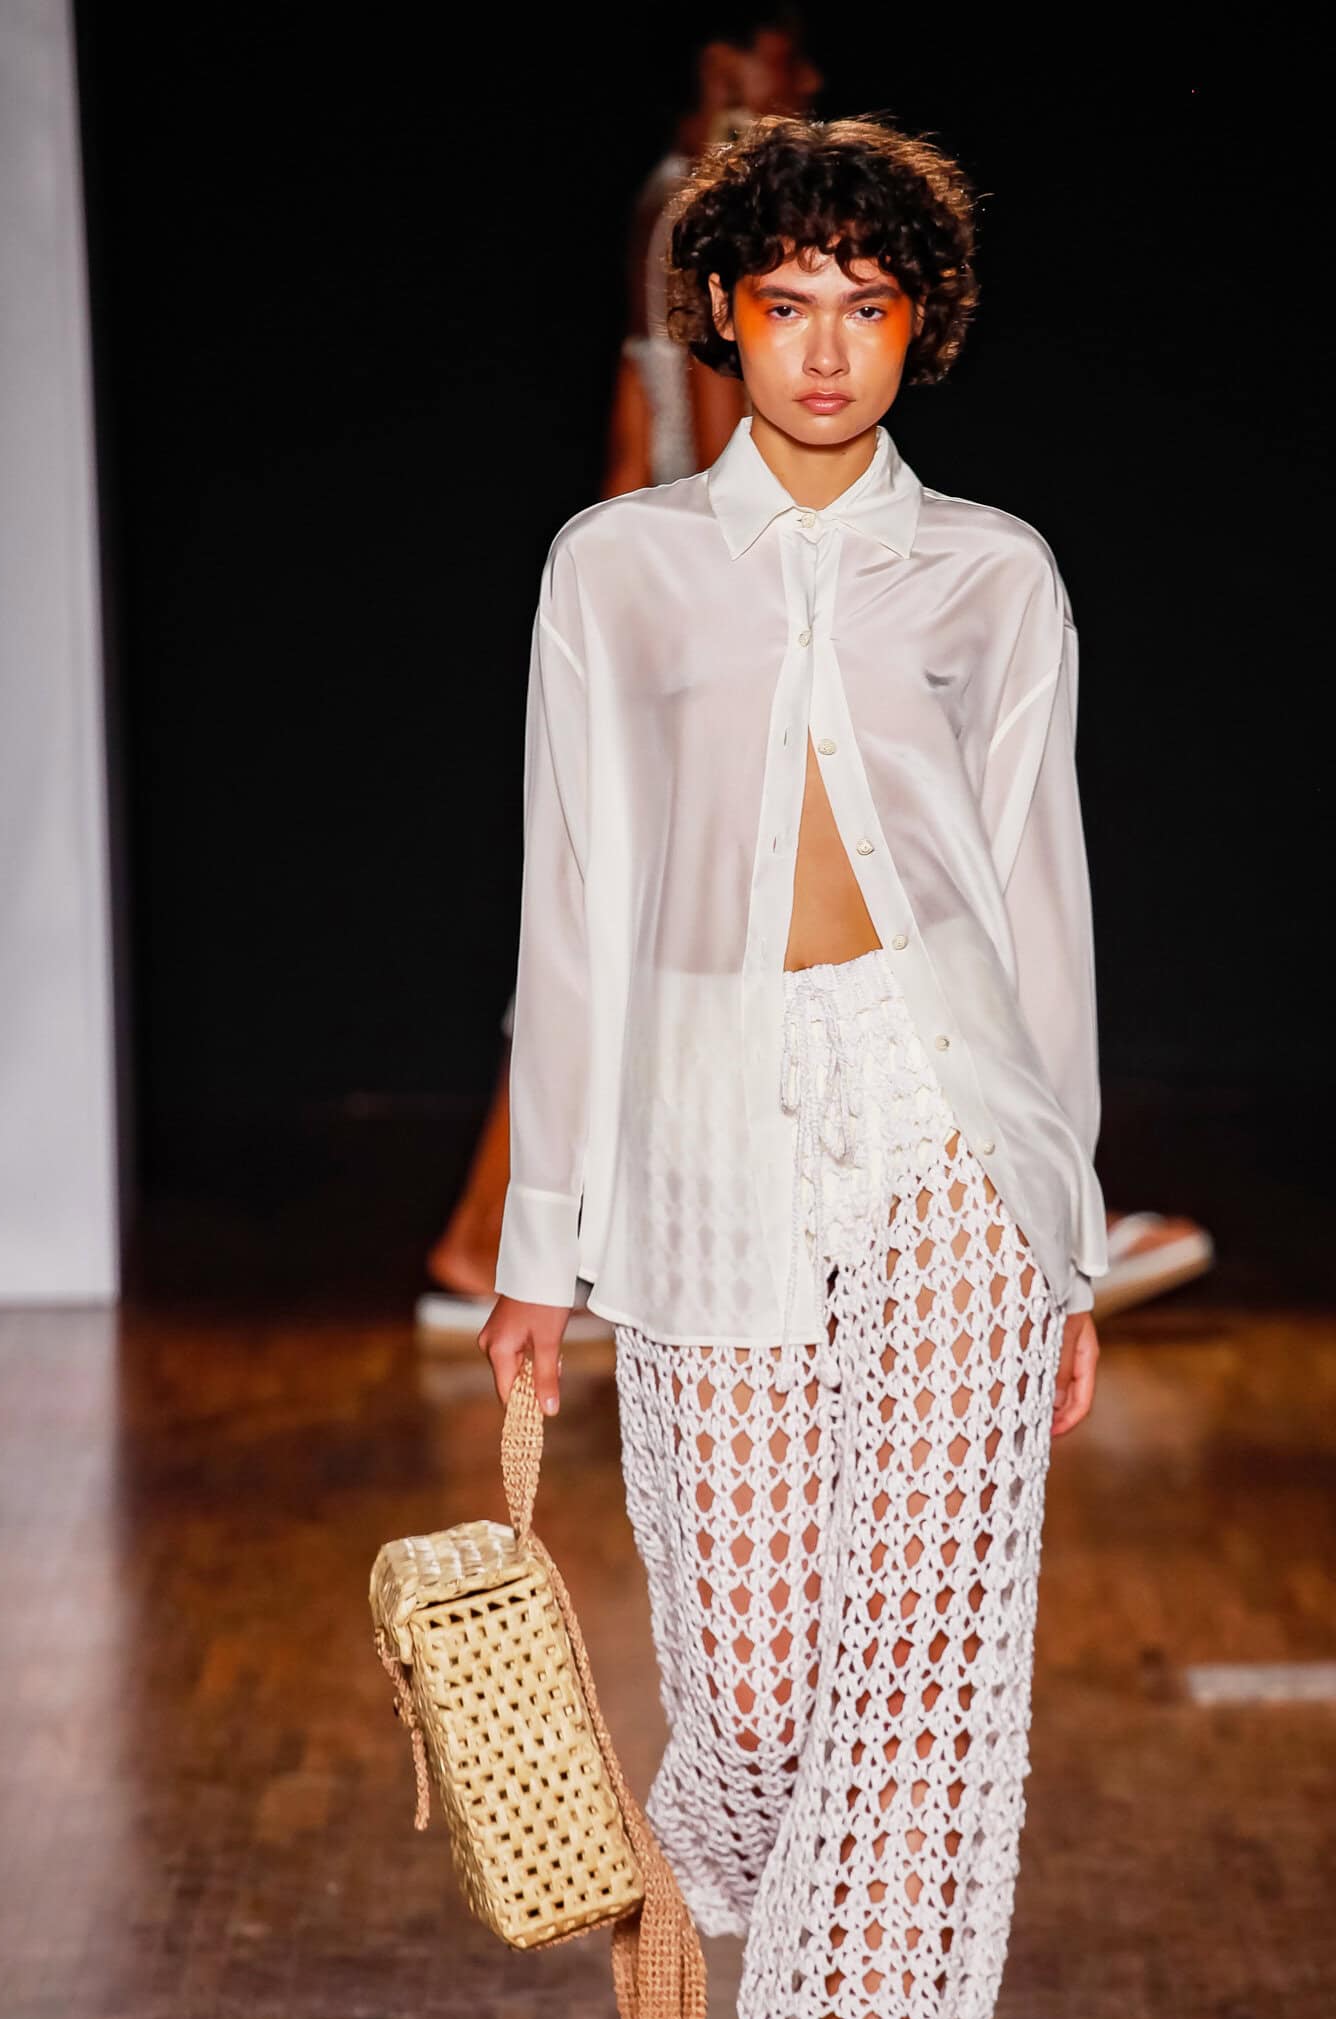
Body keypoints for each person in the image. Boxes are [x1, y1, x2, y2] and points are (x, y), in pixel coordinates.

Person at [479, 115, 1108, 2019]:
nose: (829, 348)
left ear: (921, 325)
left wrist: (1069, 1228)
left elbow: (1039, 905)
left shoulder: (994, 575)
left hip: (944, 1121)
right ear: (723, 320)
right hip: (706, 1118)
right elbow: (572, 907)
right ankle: (733, 1859)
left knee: (916, 1665)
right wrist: (540, 1240)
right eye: (789, 304)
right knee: (753, 1669)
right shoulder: (618, 569)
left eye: (870, 306)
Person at [418, 17, 819, 1338]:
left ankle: (513, 1234)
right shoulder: (719, 211)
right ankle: (506, 1237)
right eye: (783, 62)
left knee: (635, 926)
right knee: (664, 928)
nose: (804, 86)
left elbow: (630, 426)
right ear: (735, 69)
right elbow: (716, 420)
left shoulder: (667, 204)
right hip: (712, 613)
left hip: (666, 610)